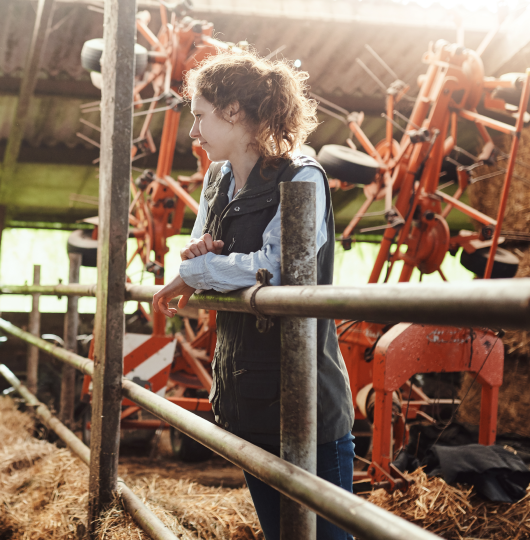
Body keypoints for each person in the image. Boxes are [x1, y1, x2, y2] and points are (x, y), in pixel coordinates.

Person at [151, 49, 355, 540]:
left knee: (324, 536)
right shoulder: (217, 181)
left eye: (199, 116)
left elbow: (277, 269)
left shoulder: (302, 176)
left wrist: (203, 267)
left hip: (304, 399)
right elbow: (196, 258)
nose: (194, 132)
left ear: (234, 112)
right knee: (281, 534)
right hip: (246, 396)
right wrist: (200, 264)